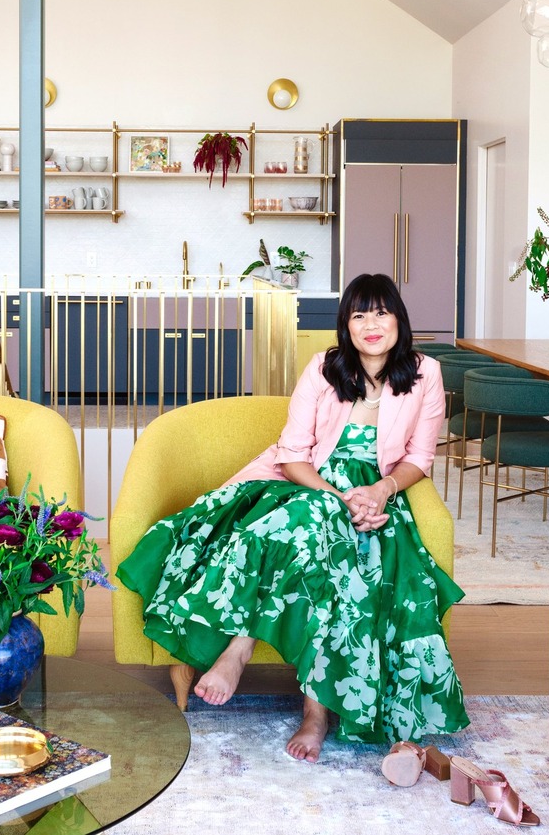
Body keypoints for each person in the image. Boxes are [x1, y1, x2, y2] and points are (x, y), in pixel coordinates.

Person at [116, 273, 469, 762]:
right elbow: (293, 453)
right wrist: (340, 497)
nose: (371, 324)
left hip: (378, 493)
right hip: (308, 483)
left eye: (381, 313)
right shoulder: (324, 368)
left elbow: (419, 456)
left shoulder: (426, 373)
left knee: (339, 562)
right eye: (359, 314)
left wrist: (381, 491)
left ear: (398, 320)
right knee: (308, 521)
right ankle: (279, 685)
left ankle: (298, 699)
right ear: (345, 325)